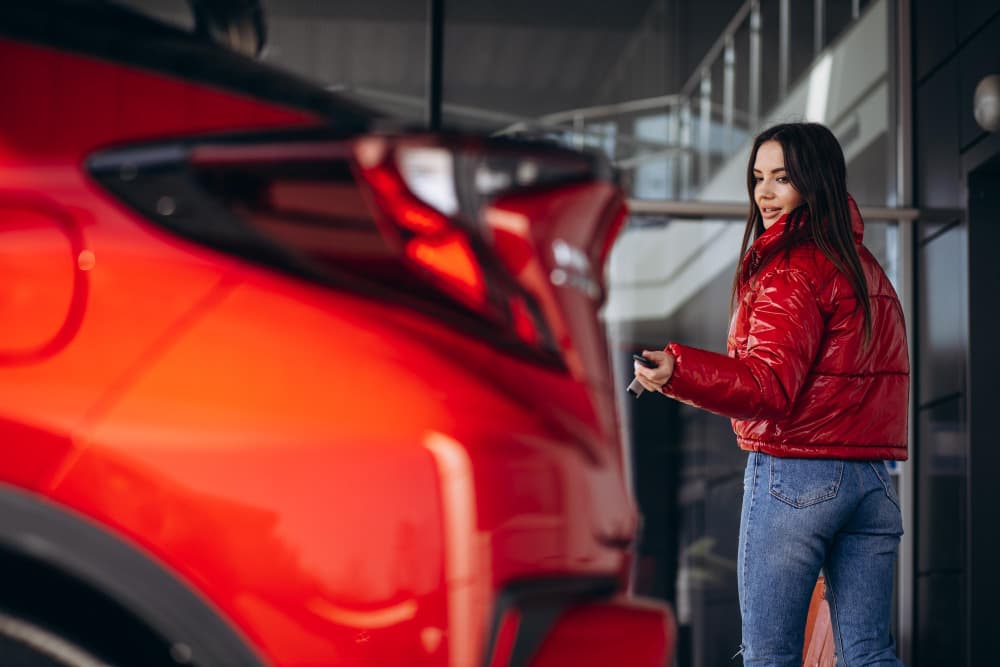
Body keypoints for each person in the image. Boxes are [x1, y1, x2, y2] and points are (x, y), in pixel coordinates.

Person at [632, 122, 908, 667]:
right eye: (758, 177)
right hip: (872, 480)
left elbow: (768, 386)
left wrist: (678, 370)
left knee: (769, 656)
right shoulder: (866, 270)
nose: (764, 193)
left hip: (797, 475)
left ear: (815, 183)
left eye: (782, 178)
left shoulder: (791, 268)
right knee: (869, 655)